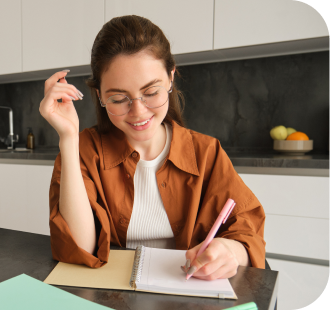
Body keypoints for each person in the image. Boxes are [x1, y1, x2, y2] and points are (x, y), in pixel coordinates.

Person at [39, 15, 266, 280]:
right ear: (100, 95)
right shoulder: (85, 150)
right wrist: (68, 138)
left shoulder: (206, 152)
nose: (137, 111)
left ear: (170, 78)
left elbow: (247, 231)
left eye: (151, 92)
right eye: (118, 98)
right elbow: (79, 248)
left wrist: (231, 251)